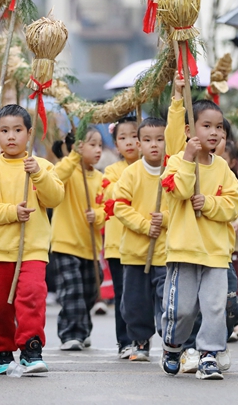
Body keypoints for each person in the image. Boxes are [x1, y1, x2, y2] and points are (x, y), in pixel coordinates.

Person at [0, 104, 65, 375]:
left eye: (18, 130)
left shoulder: (42, 166)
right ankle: (2, 351)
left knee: (32, 297)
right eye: (4, 131)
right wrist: (12, 212)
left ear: (29, 133)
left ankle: (31, 348)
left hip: (33, 248)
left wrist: (38, 173)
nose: (11, 136)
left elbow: (54, 198)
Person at [159, 100, 238, 381]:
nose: (214, 132)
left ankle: (209, 355)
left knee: (215, 307)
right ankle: (172, 347)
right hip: (185, 250)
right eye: (206, 126)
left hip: (216, 252)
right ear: (189, 130)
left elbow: (233, 205)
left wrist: (208, 203)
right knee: (182, 309)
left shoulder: (223, 168)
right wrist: (186, 158)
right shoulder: (175, 162)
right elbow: (179, 191)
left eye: (218, 127)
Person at [113, 117, 169, 363]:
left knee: (167, 300)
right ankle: (140, 340)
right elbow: (120, 207)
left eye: (160, 139)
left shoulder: (173, 171)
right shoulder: (131, 173)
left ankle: (171, 340)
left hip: (167, 252)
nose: (154, 145)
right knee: (134, 302)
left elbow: (183, 204)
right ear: (139, 143)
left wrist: (164, 219)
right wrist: (146, 226)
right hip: (136, 252)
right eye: (147, 140)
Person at [50, 126, 106, 351]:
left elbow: (107, 208)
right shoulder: (67, 170)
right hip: (65, 243)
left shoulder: (102, 178)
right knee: (72, 290)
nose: (98, 150)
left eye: (100, 145)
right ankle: (70, 334)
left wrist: (98, 215)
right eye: (92, 145)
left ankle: (83, 329)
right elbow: (56, 176)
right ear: (78, 147)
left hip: (90, 247)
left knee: (89, 290)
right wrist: (74, 154)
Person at [102, 116, 139, 358]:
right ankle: (125, 341)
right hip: (118, 246)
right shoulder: (112, 170)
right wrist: (135, 180)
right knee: (123, 296)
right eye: (122, 137)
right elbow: (110, 195)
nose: (129, 142)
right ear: (116, 144)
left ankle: (142, 338)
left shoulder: (154, 168)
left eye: (135, 136)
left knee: (140, 297)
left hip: (145, 244)